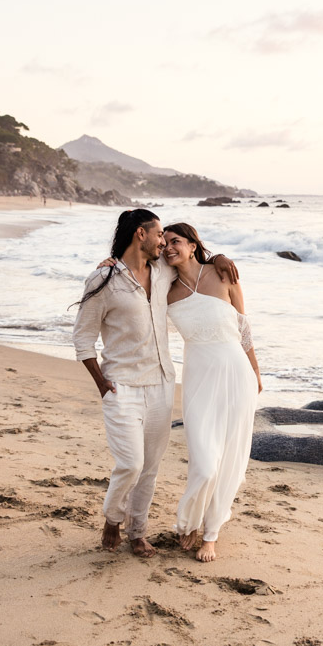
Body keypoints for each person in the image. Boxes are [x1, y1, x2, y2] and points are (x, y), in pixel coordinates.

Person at [71, 209, 238, 559]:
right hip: (122, 386)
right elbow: (83, 340)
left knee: (149, 467)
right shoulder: (103, 281)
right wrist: (103, 384)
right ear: (139, 234)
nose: (164, 241)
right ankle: (112, 519)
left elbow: (194, 260)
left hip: (162, 383)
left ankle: (138, 533)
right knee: (130, 463)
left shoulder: (162, 272)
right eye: (159, 234)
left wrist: (219, 257)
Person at [164, 223, 261, 562]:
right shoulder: (165, 288)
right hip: (198, 377)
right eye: (165, 243)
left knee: (231, 457)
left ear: (193, 245)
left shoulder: (223, 275)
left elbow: (243, 327)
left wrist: (256, 372)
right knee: (204, 462)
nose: (168, 248)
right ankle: (190, 521)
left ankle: (211, 534)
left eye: (176, 241)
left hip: (236, 372)